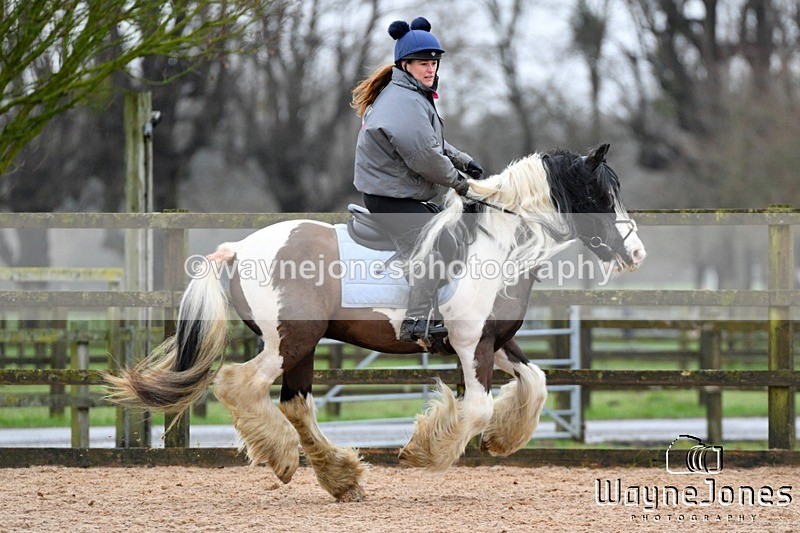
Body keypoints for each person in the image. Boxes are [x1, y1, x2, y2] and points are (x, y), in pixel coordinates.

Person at [351, 17, 484, 343]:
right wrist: (461, 184)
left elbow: (430, 143)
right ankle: (416, 320)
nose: (431, 69)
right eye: (424, 63)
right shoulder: (403, 101)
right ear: (405, 64)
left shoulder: (410, 95)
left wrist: (464, 160)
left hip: (397, 192)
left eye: (434, 62)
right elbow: (426, 158)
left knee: (448, 239)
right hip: (390, 197)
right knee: (434, 246)